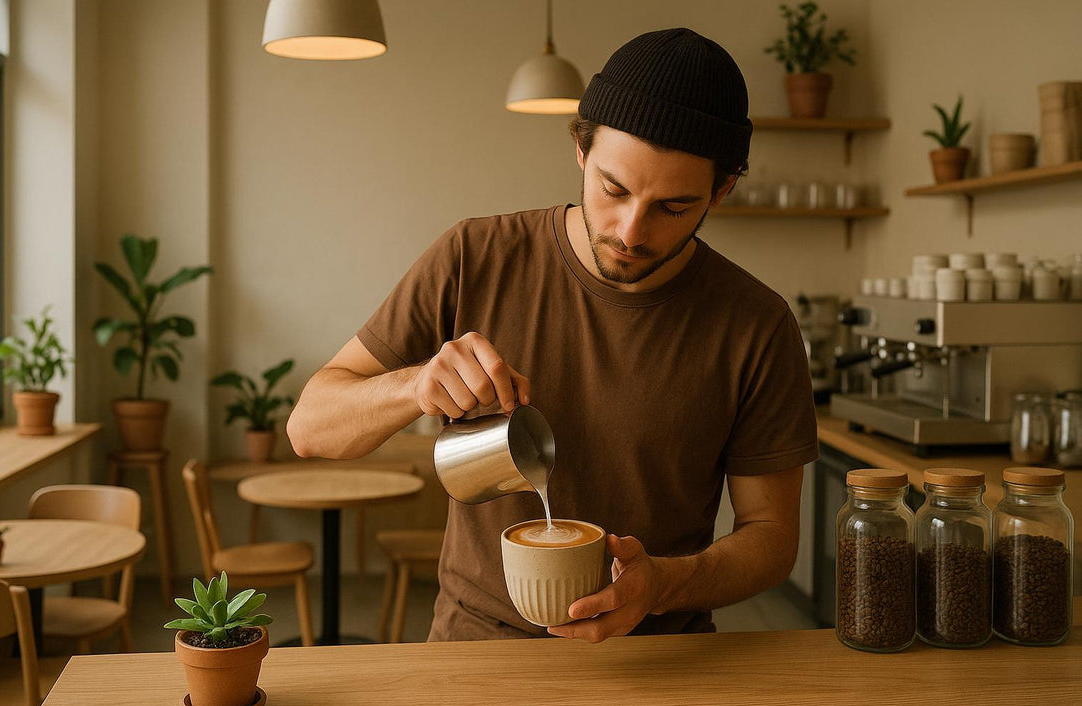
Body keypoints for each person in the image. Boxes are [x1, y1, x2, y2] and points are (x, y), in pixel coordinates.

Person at [287, 28, 818, 643]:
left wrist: (663, 585)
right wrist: (414, 387)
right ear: (580, 150)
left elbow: (772, 536)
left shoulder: (756, 323)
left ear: (720, 191)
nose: (631, 230)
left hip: (664, 660)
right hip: (478, 647)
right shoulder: (474, 258)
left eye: (672, 207)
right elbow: (309, 427)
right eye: (613, 189)